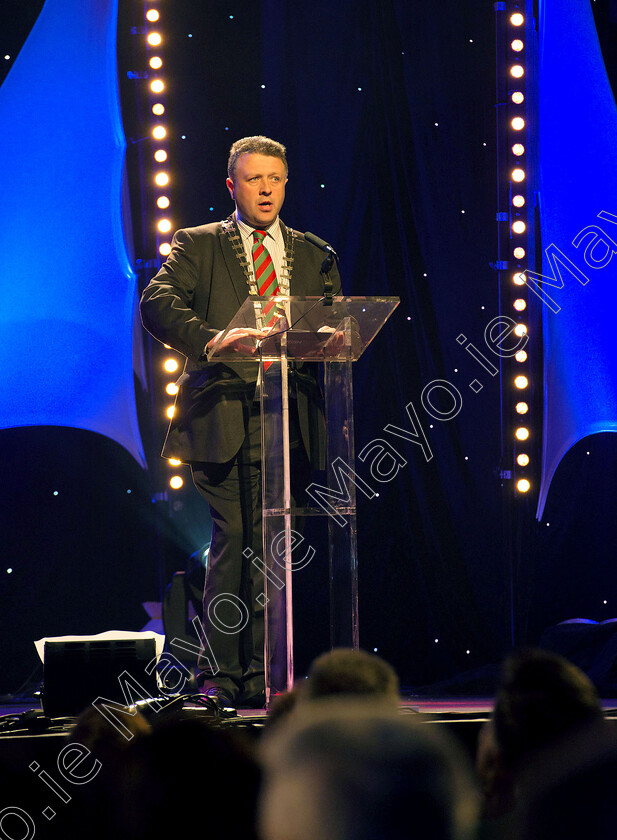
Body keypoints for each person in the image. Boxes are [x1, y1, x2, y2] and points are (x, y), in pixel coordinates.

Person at [140, 136, 341, 709]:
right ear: (233, 186)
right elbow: (157, 301)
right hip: (225, 414)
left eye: (275, 179)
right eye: (255, 180)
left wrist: (328, 337)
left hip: (291, 421)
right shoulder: (199, 245)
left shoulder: (314, 252)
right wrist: (213, 339)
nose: (267, 189)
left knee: (273, 547)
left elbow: (335, 323)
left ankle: (265, 672)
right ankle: (224, 674)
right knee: (238, 539)